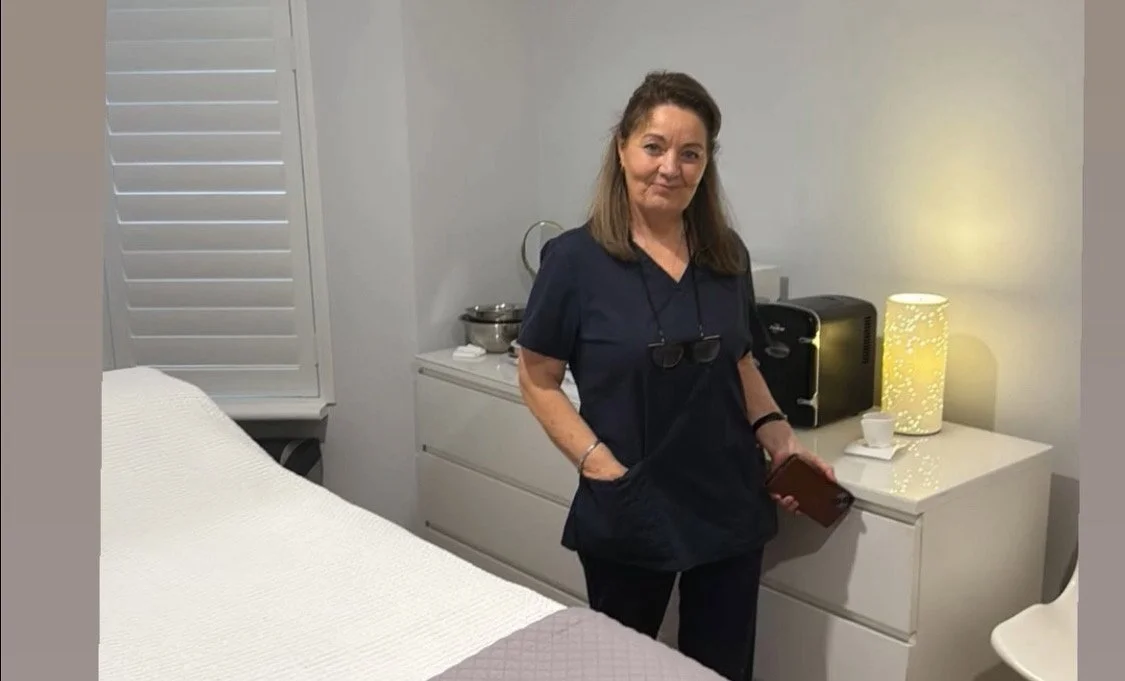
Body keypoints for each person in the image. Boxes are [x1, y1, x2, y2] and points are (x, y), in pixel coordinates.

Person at [515, 70, 836, 680]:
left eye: (690, 153)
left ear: (706, 165)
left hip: (728, 501)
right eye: (654, 147)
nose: (670, 167)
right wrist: (600, 467)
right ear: (622, 149)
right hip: (632, 502)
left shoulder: (727, 255)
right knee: (625, 670)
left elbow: (740, 359)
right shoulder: (575, 261)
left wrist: (780, 440)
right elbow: (537, 378)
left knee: (722, 671)